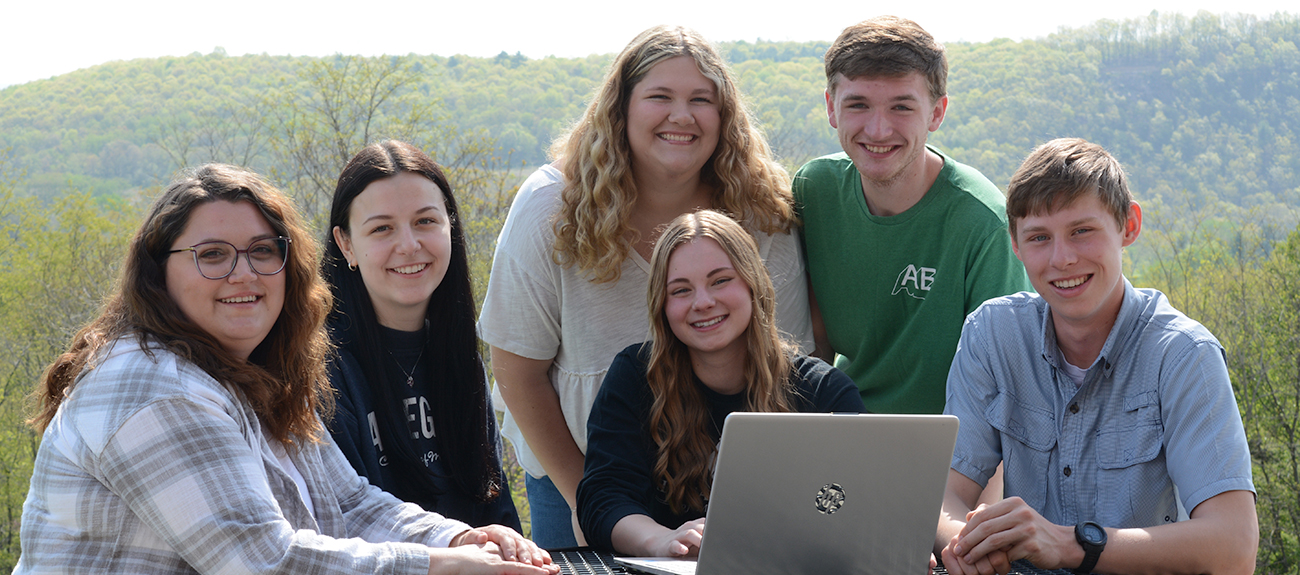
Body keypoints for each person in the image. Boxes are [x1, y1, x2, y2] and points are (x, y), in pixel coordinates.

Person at [16, 164, 555, 575]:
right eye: (212, 255)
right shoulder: (154, 387)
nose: (243, 273)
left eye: (261, 251)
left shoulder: (249, 374)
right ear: (159, 274)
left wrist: (457, 539)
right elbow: (260, 560)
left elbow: (349, 502)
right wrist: (435, 566)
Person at [479, 26, 815, 548]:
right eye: (660, 96)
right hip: (574, 469)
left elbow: (785, 364)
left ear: (724, 115)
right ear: (621, 108)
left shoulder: (761, 210)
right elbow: (517, 371)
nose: (681, 116)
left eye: (701, 99)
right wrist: (586, 500)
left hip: (728, 485)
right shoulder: (550, 207)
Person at [936, 138, 1258, 575]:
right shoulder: (993, 335)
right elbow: (945, 493)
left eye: (1081, 231)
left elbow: (1234, 547)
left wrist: (1072, 545)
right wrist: (968, 544)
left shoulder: (1183, 355)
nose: (1062, 258)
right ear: (1015, 245)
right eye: (1038, 238)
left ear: (1129, 225)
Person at [577, 210, 865, 556]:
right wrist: (662, 541)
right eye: (681, 290)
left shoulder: (823, 391)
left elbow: (862, 500)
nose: (703, 302)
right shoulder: (635, 378)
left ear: (752, 283)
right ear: (662, 306)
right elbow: (604, 498)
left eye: (720, 280)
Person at [793, 16, 1030, 415]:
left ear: (936, 113)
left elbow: (1005, 386)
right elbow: (811, 344)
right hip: (841, 425)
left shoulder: (982, 223)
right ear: (831, 108)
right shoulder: (814, 191)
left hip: (946, 444)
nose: (878, 129)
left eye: (901, 106)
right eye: (858, 104)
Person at [322, 140, 520, 530]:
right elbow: (343, 522)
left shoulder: (460, 357)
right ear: (347, 244)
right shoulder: (322, 371)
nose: (409, 246)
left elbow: (494, 505)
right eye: (382, 229)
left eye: (425, 221)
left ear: (451, 227)